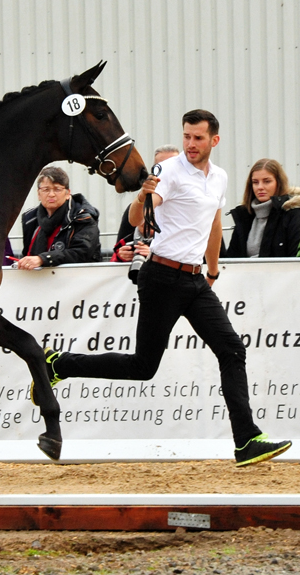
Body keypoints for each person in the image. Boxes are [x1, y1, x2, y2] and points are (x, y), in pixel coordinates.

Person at [44, 110, 291, 467]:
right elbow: (135, 220)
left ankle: (246, 440)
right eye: (187, 137)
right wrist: (143, 197)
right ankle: (59, 364)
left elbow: (215, 222)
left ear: (214, 141)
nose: (191, 144)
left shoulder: (218, 177)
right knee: (144, 366)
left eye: (198, 138)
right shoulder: (169, 171)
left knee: (233, 350)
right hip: (161, 277)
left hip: (194, 280)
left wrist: (213, 269)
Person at [17, 166, 101, 270]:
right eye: (46, 189)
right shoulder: (30, 218)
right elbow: (27, 253)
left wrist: (43, 259)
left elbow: (82, 252)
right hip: (37, 279)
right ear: (38, 194)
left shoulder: (83, 216)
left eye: (57, 189)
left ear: (67, 193)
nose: (51, 194)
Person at [226, 159, 300, 258]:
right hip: (245, 273)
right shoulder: (243, 215)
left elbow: (294, 260)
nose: (260, 187)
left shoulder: (293, 213)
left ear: (279, 182)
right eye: (255, 182)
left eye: (267, 181)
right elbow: (232, 259)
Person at [115, 146, 180, 251]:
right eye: (162, 167)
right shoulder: (138, 206)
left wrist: (152, 252)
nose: (168, 172)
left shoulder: (194, 203)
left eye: (173, 166)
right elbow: (121, 245)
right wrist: (121, 255)